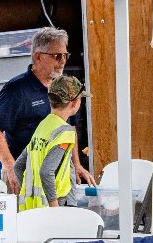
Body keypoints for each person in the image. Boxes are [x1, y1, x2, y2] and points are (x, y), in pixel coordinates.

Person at [0, 27, 67, 194]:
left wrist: (77, 165)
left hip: (54, 173)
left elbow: (67, 129)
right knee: (22, 219)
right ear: (38, 56)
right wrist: (10, 166)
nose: (63, 61)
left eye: (65, 55)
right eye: (57, 56)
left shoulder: (62, 87)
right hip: (23, 172)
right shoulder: (15, 89)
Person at [16, 74, 96, 209]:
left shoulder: (43, 126)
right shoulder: (64, 132)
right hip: (57, 205)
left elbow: (18, 166)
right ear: (74, 103)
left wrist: (30, 193)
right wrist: (54, 207)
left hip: (34, 207)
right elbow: (46, 171)